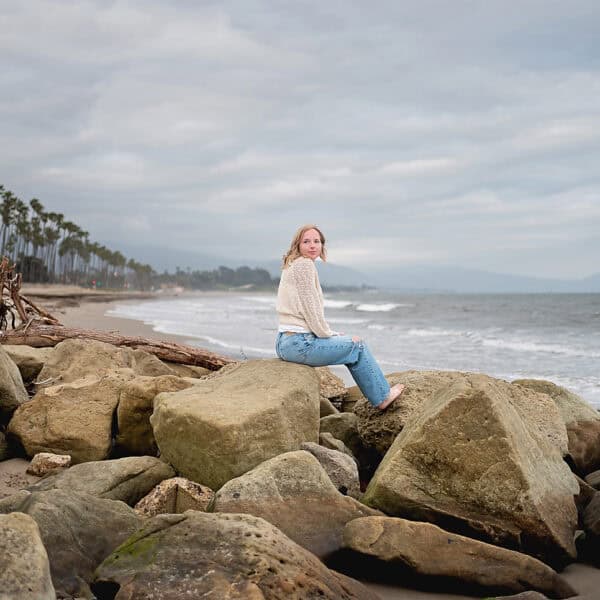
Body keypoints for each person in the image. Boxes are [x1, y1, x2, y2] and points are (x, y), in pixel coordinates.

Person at [275, 224, 405, 410]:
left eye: (316, 241)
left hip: (284, 342)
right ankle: (383, 397)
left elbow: (304, 310)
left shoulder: (293, 264)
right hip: (299, 344)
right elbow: (311, 310)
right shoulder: (304, 265)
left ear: (322, 245)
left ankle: (379, 393)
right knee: (357, 346)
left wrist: (333, 334)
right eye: (306, 241)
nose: (312, 245)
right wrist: (328, 334)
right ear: (297, 245)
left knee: (348, 342)